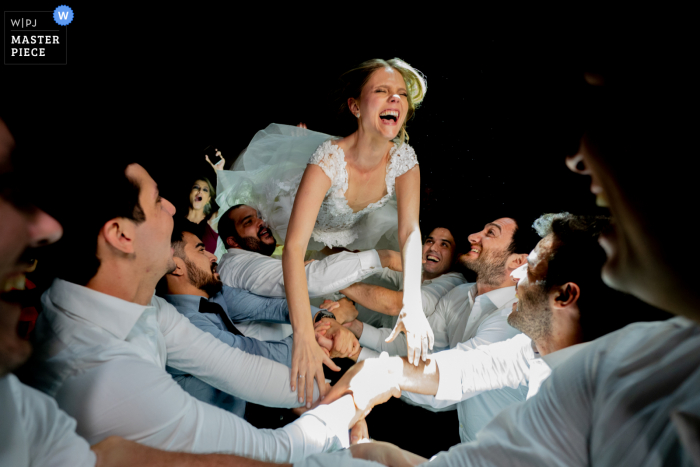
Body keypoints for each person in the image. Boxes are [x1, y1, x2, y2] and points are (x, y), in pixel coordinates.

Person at [300, 62, 700, 466]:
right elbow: (461, 371)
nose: (578, 159)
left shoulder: (613, 393)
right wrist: (369, 402)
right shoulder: (543, 350)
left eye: (614, 117)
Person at [21, 161, 367, 463]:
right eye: (157, 200)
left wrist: (328, 396)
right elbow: (263, 452)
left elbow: (236, 367)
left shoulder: (147, 306)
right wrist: (354, 400)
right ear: (121, 235)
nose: (172, 208)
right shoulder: (100, 376)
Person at [216, 58, 432, 407]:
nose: (395, 100)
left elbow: (410, 230)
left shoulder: (405, 159)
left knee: (399, 298)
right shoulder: (329, 158)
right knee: (321, 276)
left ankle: (360, 303)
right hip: (304, 229)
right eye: (382, 91)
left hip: (353, 233)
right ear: (356, 106)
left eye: (402, 95)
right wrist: (302, 335)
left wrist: (413, 305)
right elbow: (294, 248)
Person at [347, 217, 538, 358]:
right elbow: (416, 351)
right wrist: (353, 338)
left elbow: (447, 380)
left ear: (518, 260)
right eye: (429, 241)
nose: (472, 237)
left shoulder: (514, 317)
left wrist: (331, 279)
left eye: (490, 233)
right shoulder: (458, 295)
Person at [339, 225, 466, 329]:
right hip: (383, 339)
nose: (433, 248)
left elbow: (396, 304)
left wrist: (334, 281)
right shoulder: (420, 268)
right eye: (430, 241)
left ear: (456, 257)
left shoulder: (453, 284)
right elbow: (378, 267)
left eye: (444, 245)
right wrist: (331, 254)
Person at [184, 176, 220, 254]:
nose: (200, 191)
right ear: (190, 193)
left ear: (208, 199)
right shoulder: (175, 220)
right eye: (196, 187)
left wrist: (220, 173)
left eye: (205, 190)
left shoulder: (213, 220)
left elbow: (231, 200)